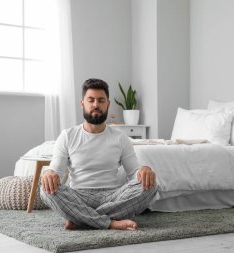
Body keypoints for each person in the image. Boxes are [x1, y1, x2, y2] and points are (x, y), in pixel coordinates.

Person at [40, 78, 157, 231]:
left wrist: (145, 170)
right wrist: (49, 173)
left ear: (107, 104)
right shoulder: (67, 136)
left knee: (151, 185)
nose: (96, 104)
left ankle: (80, 219)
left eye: (101, 100)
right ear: (82, 103)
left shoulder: (120, 137)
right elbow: (56, 170)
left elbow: (135, 173)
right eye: (91, 100)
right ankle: (110, 223)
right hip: (78, 197)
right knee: (45, 188)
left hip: (112, 196)